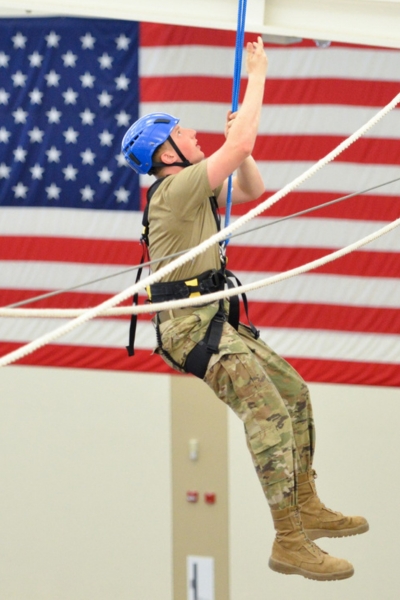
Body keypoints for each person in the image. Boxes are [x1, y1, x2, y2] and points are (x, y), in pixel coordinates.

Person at [122, 36, 368, 581]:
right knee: (268, 414)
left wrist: (242, 147)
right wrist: (257, 76)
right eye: (182, 132)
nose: (193, 134)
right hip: (192, 327)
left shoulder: (191, 184)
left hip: (213, 317)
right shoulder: (173, 191)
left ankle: (305, 501)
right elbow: (238, 149)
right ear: (167, 153)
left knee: (295, 393)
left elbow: (252, 187)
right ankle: (288, 540)